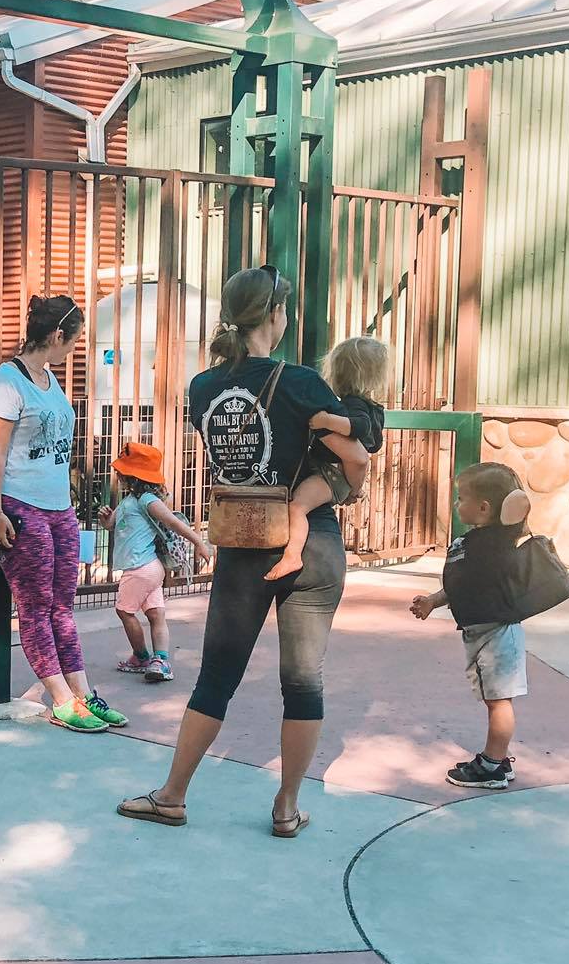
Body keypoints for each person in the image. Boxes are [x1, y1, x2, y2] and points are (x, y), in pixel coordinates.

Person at [116, 265, 364, 838]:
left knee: (216, 677)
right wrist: (343, 484)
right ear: (275, 314)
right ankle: (286, 806)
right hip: (311, 543)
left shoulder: (203, 388)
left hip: (242, 544)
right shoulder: (300, 382)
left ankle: (173, 795)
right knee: (303, 681)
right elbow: (355, 457)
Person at [0, 292, 128, 733]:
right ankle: (60, 698)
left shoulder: (50, 378)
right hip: (21, 508)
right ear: (58, 335)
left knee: (63, 606)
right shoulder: (6, 382)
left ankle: (83, 693)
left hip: (59, 507)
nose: (74, 351)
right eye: (74, 341)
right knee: (36, 605)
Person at [410, 462, 534, 789]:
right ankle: (498, 760)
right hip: (482, 633)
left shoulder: (498, 542)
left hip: (495, 634)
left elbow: (516, 516)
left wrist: (513, 504)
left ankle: (493, 765)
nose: (455, 503)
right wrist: (434, 601)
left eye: (460, 497)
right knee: (495, 699)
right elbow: (463, 584)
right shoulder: (474, 541)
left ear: (484, 508)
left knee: (499, 701)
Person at [264, 335, 390, 583]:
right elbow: (370, 443)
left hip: (329, 473)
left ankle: (292, 555)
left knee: (297, 506)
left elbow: (360, 428)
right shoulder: (371, 405)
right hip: (335, 473)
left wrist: (326, 422)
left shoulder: (355, 405)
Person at [101, 439, 211, 683]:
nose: (117, 474)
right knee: (155, 615)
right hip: (151, 568)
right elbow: (111, 525)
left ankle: (140, 657)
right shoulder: (129, 501)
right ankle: (161, 660)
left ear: (132, 475)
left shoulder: (147, 501)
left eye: (121, 470)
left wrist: (199, 542)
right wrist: (106, 520)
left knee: (124, 611)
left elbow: (173, 522)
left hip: (139, 568)